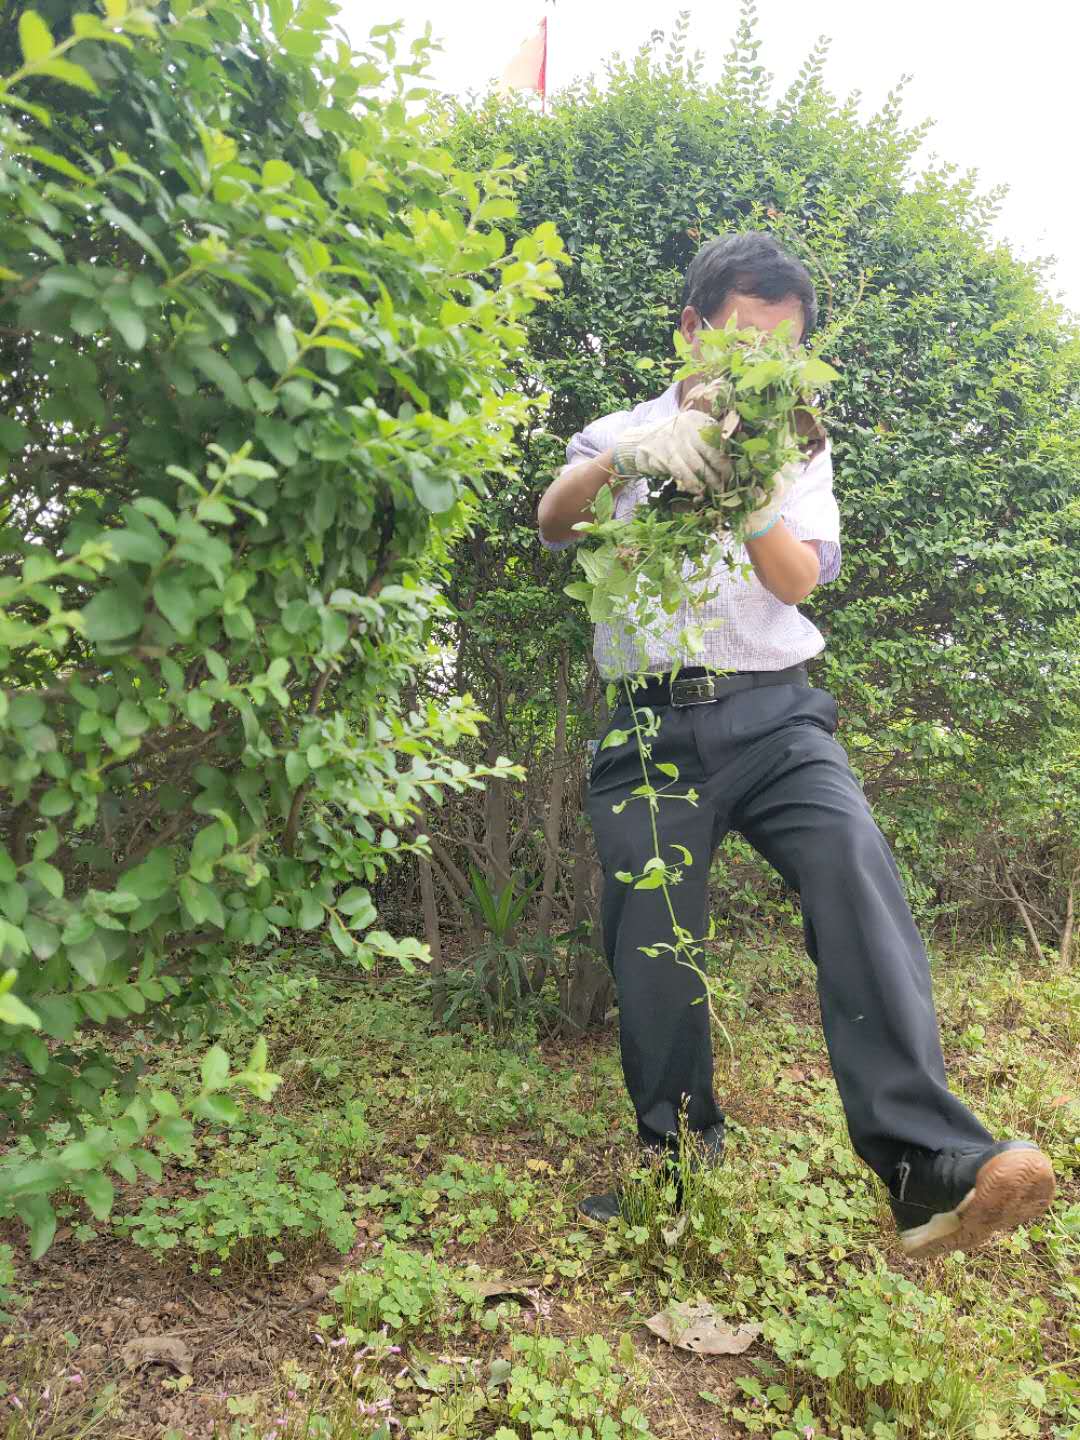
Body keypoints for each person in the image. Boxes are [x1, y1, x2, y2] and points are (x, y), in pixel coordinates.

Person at [536, 232, 1055, 1259]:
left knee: (854, 871)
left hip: (776, 717)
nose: (760, 359)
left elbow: (796, 580)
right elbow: (554, 522)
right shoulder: (621, 429)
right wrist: (624, 461)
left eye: (782, 344)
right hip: (646, 729)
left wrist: (751, 495)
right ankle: (676, 1171)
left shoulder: (799, 443)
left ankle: (929, 1165)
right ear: (692, 329)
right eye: (742, 336)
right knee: (652, 949)